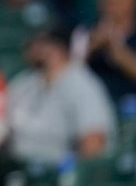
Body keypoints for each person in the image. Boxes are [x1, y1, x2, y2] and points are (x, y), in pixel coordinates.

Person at [7, 27, 116, 167]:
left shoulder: (82, 84)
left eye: (44, 43)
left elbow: (94, 142)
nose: (36, 49)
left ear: (60, 48)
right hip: (18, 168)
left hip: (56, 171)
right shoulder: (24, 83)